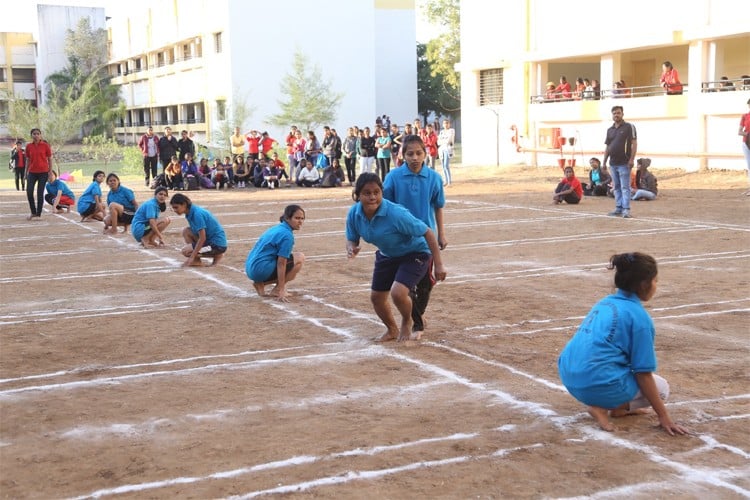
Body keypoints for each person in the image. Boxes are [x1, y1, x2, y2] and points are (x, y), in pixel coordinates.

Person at [558, 252, 690, 436]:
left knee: (619, 360)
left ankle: (619, 409)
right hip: (594, 384)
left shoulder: (604, 303)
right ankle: (601, 408)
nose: (656, 286)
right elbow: (643, 374)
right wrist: (664, 416)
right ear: (644, 284)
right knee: (662, 390)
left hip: (570, 377)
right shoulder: (639, 318)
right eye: (655, 281)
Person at [346, 172, 447, 342]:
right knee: (377, 298)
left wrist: (439, 265)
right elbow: (352, 238)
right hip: (387, 254)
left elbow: (427, 232)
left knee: (398, 293)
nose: (372, 197)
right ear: (357, 195)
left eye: (376, 192)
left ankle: (408, 321)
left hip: (415, 252)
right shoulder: (354, 214)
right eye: (367, 193)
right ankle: (391, 329)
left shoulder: (395, 214)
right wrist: (351, 248)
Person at [383, 134, 447, 336]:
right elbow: (386, 207)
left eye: (419, 153)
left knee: (426, 285)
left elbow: (437, 207)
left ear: (425, 154)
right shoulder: (393, 178)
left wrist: (441, 234)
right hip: (401, 240)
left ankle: (416, 317)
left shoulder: (434, 178)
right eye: (410, 154)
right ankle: (415, 322)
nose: (415, 157)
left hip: (425, 239)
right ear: (402, 156)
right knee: (405, 285)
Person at [245, 204, 306, 301]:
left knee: (291, 260)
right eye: (297, 218)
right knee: (299, 258)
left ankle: (261, 284)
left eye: (302, 219)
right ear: (287, 218)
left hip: (251, 268)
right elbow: (281, 263)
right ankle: (277, 289)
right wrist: (281, 289)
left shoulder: (277, 228)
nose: (300, 222)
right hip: (260, 270)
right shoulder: (287, 235)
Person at [169, 193, 227, 267]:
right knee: (186, 231)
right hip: (211, 241)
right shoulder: (190, 212)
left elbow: (202, 238)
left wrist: (192, 256)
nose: (174, 210)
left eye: (176, 207)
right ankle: (197, 261)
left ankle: (217, 254)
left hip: (217, 245)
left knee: (186, 251)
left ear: (184, 204)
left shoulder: (197, 214)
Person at [603, 106, 638, 218]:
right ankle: (618, 208)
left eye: (618, 113)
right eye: (614, 113)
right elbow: (608, 147)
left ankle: (626, 209)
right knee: (616, 187)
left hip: (624, 163)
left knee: (625, 187)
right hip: (613, 164)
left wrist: (631, 159)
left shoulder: (629, 127)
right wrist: (604, 162)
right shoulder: (610, 130)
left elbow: (634, 144)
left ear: (623, 114)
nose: (616, 115)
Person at [24, 128, 53, 220]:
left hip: (43, 173)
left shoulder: (45, 146)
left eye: (37, 134)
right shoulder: (28, 146)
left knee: (40, 193)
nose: (36, 135)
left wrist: (50, 172)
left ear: (40, 135)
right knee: (29, 192)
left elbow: (50, 159)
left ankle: (38, 214)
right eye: (34, 134)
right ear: (31, 135)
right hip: (32, 172)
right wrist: (25, 173)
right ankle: (33, 212)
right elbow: (28, 160)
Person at [437, 119, 455, 186]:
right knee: (443, 166)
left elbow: (449, 140)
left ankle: (449, 181)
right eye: (444, 123)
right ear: (442, 124)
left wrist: (443, 140)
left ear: (449, 124)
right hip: (441, 149)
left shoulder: (451, 130)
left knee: (446, 165)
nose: (446, 124)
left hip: (448, 149)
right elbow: (438, 142)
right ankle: (445, 181)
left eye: (447, 123)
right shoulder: (441, 132)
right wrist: (443, 141)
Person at [739, 98, 750, 195]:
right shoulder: (745, 116)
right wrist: (746, 134)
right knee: (749, 165)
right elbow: (739, 132)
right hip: (746, 142)